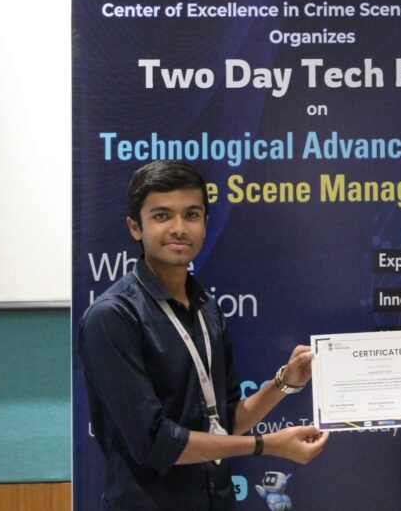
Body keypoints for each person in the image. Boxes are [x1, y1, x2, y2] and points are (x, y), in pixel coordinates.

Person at [77, 160, 328, 510]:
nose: (179, 228)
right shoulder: (112, 317)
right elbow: (155, 443)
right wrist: (266, 445)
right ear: (135, 227)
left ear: (206, 224)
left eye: (191, 215)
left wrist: (285, 383)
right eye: (162, 216)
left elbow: (226, 421)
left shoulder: (206, 308)